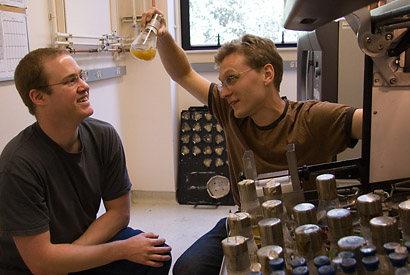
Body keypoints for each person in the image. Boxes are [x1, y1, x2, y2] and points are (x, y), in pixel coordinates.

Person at [141, 8, 363, 275]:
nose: (224, 92)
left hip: (304, 226)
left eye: (231, 79)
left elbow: (376, 122)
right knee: (188, 269)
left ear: (267, 74)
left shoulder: (311, 119)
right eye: (222, 83)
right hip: (246, 222)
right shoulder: (231, 114)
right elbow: (183, 74)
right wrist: (163, 36)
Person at [0, 48, 172, 275]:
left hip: (77, 245)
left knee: (156, 255)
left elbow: (119, 213)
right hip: (30, 269)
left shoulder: (103, 136)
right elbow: (41, 263)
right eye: (71, 81)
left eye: (81, 76)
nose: (85, 86)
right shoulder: (18, 165)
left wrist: (73, 255)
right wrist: (121, 250)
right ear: (39, 97)